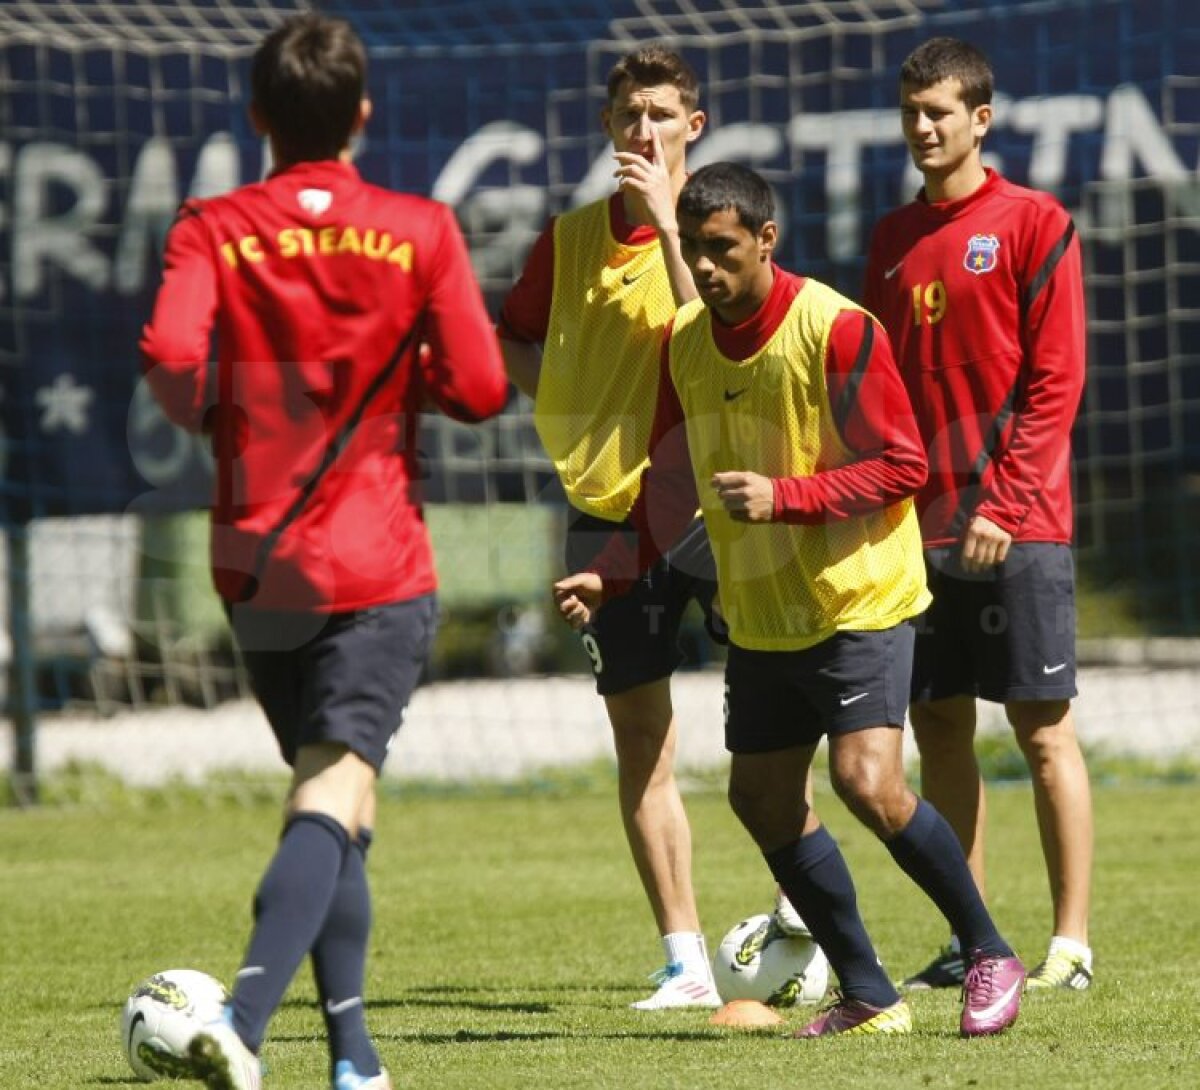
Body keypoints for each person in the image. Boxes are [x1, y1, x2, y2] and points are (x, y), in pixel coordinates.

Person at [555, 161, 1026, 1037]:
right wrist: (614, 572)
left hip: (860, 598)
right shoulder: (687, 341)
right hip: (766, 613)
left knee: (868, 782)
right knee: (762, 798)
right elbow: (666, 476)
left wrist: (787, 495)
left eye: (722, 248)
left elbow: (903, 465)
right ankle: (868, 993)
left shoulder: (836, 328)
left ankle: (990, 950)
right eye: (692, 249)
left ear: (766, 240)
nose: (704, 266)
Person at [140, 14, 508, 1090]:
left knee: (336, 797)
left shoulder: (212, 226)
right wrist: (411, 381)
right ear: (361, 114)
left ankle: (356, 1058)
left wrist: (223, 415)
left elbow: (168, 355)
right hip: (377, 563)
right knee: (331, 794)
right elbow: (483, 389)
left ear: (256, 116)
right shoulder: (420, 229)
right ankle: (245, 1019)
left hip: (256, 562)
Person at [496, 45, 728, 1009]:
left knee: (777, 722)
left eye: (663, 115)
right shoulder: (570, 238)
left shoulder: (724, 227)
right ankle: (685, 960)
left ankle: (803, 915)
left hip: (713, 512)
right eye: (630, 114)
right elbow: (513, 335)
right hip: (602, 517)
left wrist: (675, 230)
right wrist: (565, 398)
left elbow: (708, 332)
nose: (644, 131)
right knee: (643, 739)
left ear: (694, 127)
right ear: (607, 126)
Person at [863, 37, 1093, 992]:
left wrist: (1003, 500)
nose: (923, 128)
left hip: (1019, 521)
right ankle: (973, 941)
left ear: (981, 120)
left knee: (1041, 731)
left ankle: (1071, 946)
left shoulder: (1037, 224)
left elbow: (1056, 381)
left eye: (940, 113)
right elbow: (876, 388)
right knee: (941, 729)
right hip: (918, 530)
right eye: (912, 112)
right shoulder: (888, 240)